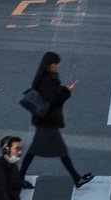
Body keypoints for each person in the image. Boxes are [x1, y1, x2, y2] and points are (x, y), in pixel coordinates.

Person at [20, 52, 93, 188]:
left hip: (45, 120)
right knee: (60, 150)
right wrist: (66, 92)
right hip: (47, 121)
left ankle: (19, 178)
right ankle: (76, 179)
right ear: (49, 65)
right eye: (56, 64)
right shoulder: (45, 80)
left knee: (35, 150)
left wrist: (65, 91)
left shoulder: (49, 78)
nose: (58, 66)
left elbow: (54, 97)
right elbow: (53, 100)